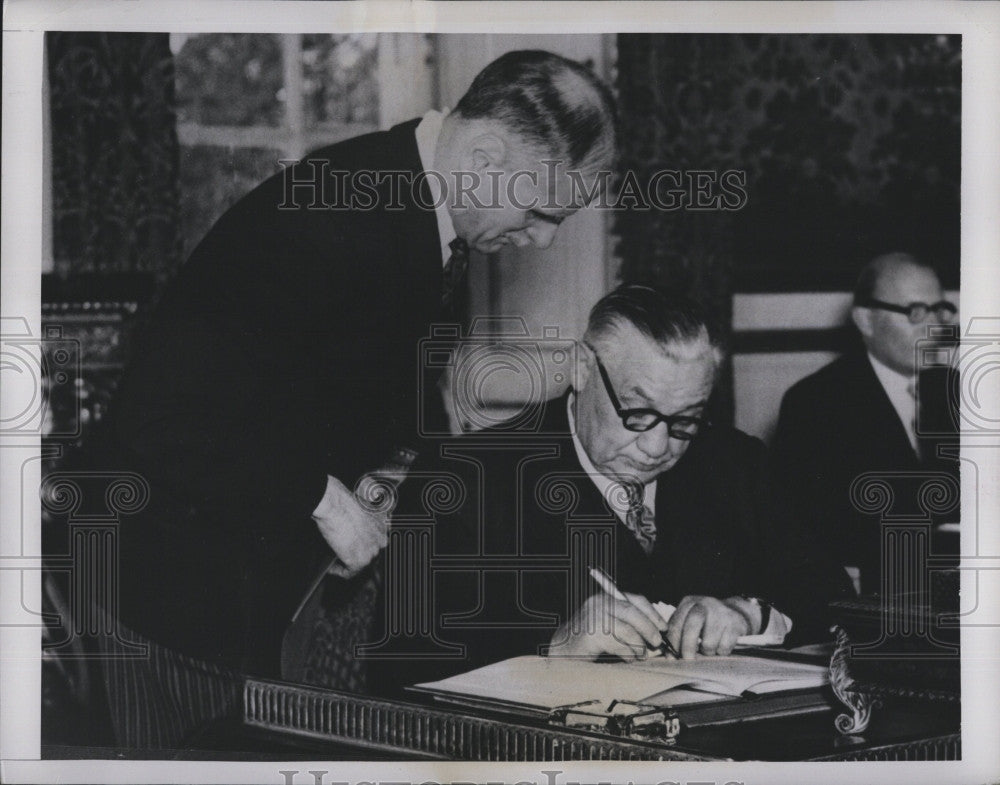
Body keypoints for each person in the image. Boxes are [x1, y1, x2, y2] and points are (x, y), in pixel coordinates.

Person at [77, 50, 617, 747]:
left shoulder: (416, 215)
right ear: (484, 154)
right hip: (173, 603)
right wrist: (321, 495)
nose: (542, 239)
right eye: (543, 211)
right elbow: (161, 414)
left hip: (252, 601)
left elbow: (318, 387)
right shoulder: (329, 214)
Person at [377, 284, 851, 692]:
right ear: (582, 368)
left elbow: (835, 600)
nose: (657, 446)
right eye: (637, 413)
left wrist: (753, 616)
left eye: (685, 419)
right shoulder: (465, 480)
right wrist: (552, 653)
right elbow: (401, 670)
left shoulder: (733, 462)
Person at [771, 252, 960, 596]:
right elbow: (805, 532)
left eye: (940, 310)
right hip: (872, 599)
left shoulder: (961, 392)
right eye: (916, 312)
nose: (934, 327)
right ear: (866, 321)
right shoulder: (815, 403)